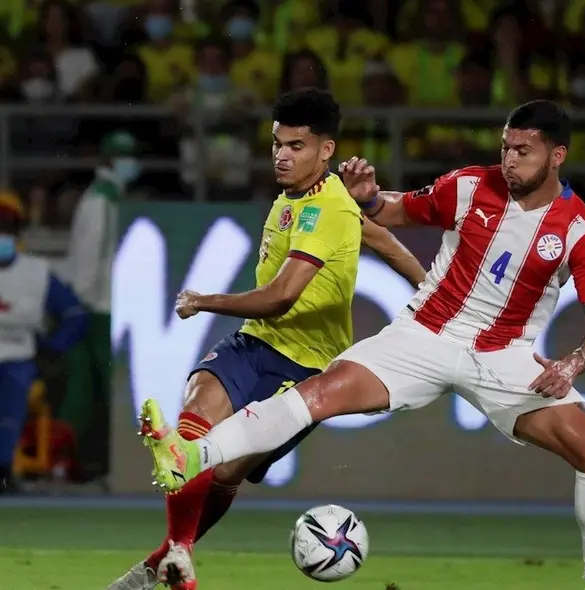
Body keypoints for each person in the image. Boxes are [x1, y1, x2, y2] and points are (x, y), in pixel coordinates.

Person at [138, 100, 585, 590]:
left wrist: (573, 363)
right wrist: (370, 198)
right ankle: (191, 456)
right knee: (319, 394)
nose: (509, 159)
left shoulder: (579, 230)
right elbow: (397, 211)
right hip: (423, 335)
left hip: (503, 355)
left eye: (524, 150)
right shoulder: (470, 184)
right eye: (505, 147)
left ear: (557, 155)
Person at [109, 88, 426, 590]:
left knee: (223, 470)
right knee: (192, 431)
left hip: (304, 371)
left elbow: (280, 296)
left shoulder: (332, 210)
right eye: (278, 143)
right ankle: (178, 559)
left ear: (326, 150)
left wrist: (204, 299)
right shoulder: (291, 198)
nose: (282, 154)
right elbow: (385, 241)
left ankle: (158, 565)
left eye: (297, 145)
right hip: (253, 343)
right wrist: (432, 289)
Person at [62, 131, 139, 480]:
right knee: (99, 392)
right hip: (97, 310)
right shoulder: (101, 202)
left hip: (102, 307)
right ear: (107, 160)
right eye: (122, 156)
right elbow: (90, 260)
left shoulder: (110, 197)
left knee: (97, 393)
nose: (129, 162)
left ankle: (93, 466)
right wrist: (82, 304)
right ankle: (77, 465)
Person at [0, 192, 87, 494]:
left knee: (11, 401)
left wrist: (53, 348)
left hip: (20, 357)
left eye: (7, 227)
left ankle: (3, 470)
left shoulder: (35, 272)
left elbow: (75, 314)